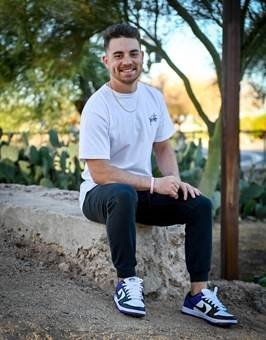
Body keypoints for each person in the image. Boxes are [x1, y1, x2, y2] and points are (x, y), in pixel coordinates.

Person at [79, 23, 237, 326]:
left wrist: (174, 182)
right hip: (101, 194)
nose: (127, 61)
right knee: (123, 193)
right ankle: (126, 281)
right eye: (119, 55)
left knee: (200, 204)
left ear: (142, 57)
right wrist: (154, 183)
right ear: (107, 61)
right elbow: (99, 172)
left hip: (139, 192)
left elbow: (163, 148)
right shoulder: (98, 106)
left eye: (134, 53)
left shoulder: (152, 98)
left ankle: (197, 295)